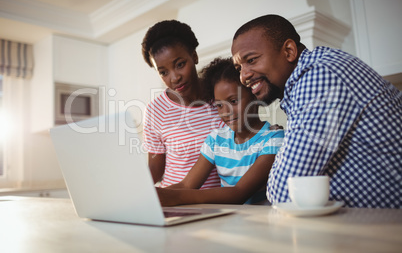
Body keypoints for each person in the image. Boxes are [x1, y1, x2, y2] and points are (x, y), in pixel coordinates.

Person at [231, 14, 402, 208]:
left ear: (289, 51)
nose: (243, 76)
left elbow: (285, 193)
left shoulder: (320, 76)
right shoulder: (317, 71)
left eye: (251, 60)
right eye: (239, 68)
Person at [156, 57, 284, 206]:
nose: (226, 112)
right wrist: (154, 195)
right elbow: (186, 185)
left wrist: (173, 198)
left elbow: (238, 193)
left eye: (233, 101)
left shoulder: (273, 139)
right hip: (227, 222)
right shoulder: (216, 139)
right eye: (219, 105)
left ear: (255, 97)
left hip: (261, 225)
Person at [141, 20, 224, 188]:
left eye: (180, 65)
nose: (174, 78)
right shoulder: (155, 111)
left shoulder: (222, 97)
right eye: (163, 72)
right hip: (174, 200)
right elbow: (156, 168)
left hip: (217, 201)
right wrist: (136, 192)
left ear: (194, 56)